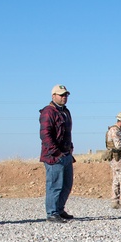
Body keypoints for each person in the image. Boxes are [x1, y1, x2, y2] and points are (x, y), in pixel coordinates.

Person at [40, 84, 75, 223]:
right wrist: (56, 152)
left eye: (66, 95)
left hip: (66, 154)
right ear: (53, 96)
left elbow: (67, 133)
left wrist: (69, 149)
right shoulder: (48, 112)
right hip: (53, 157)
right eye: (61, 95)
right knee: (54, 185)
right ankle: (52, 213)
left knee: (66, 184)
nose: (64, 97)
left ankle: (59, 210)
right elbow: (45, 135)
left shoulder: (65, 111)